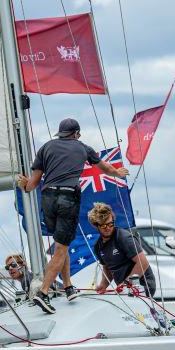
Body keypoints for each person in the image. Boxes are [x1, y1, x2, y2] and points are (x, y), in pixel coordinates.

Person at [18, 118, 128, 313]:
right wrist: (118, 173)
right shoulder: (83, 148)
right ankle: (43, 293)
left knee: (62, 245)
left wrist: (23, 184)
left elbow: (31, 185)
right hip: (68, 198)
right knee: (61, 248)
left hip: (47, 198)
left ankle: (68, 286)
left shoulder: (46, 148)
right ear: (76, 133)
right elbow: (105, 168)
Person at [88, 202, 156, 296]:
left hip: (143, 285)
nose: (108, 228)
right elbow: (107, 268)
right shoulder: (98, 246)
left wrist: (126, 283)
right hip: (124, 289)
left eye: (110, 224)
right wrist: (103, 285)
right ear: (97, 226)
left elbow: (143, 262)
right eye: (103, 226)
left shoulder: (124, 237)